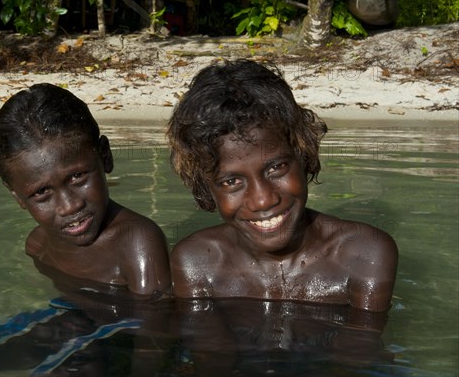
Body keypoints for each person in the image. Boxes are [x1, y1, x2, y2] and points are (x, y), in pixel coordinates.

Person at [166, 59, 398, 312]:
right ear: (204, 188)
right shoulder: (197, 262)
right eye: (231, 181)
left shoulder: (363, 253)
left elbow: (361, 349)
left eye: (276, 168)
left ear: (304, 154)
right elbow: (211, 350)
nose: (263, 199)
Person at [0, 83, 171, 298]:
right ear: (17, 197)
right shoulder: (38, 247)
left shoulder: (137, 242)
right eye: (41, 192)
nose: (70, 205)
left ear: (105, 157)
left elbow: (157, 326)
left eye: (77, 176)